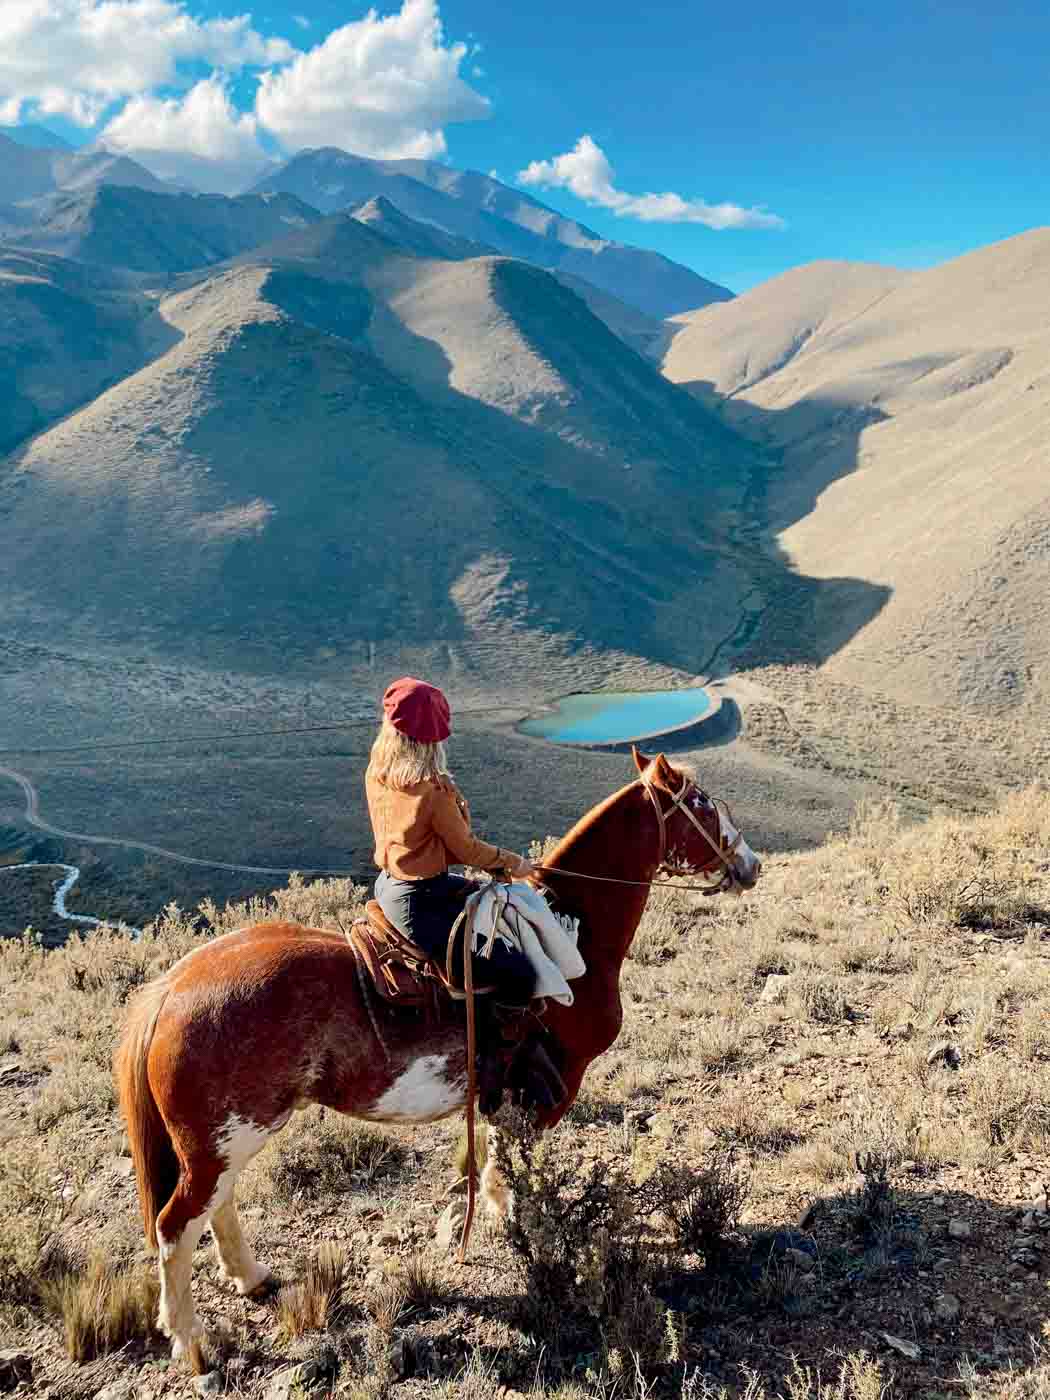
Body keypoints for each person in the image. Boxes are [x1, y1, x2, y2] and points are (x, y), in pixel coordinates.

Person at [365, 676, 564, 1111]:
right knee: (518, 973)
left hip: (392, 887)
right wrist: (515, 863)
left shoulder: (377, 770)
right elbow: (466, 849)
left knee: (496, 917)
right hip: (422, 904)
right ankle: (492, 1059)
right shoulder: (433, 791)